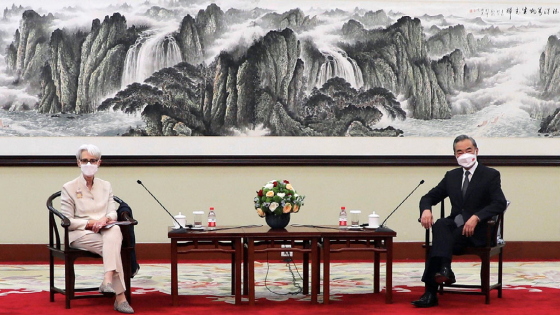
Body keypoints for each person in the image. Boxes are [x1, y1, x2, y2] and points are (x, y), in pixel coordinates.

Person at [412, 135, 507, 308]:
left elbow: (499, 203)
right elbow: (428, 197)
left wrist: (477, 217)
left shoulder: (490, 175)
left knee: (439, 241)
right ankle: (445, 270)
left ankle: (430, 292)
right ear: (455, 156)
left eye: (468, 150)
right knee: (441, 224)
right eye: (459, 152)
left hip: (479, 231)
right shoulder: (452, 176)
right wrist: (426, 209)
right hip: (455, 229)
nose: (464, 155)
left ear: (477, 151)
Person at [60, 144, 134, 314]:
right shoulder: (68, 187)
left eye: (93, 161)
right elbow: (67, 221)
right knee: (113, 249)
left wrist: (106, 219)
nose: (89, 164)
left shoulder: (106, 185)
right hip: (80, 234)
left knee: (114, 230)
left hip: (105, 230)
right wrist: (90, 223)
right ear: (78, 163)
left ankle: (107, 281)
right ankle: (120, 298)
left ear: (99, 163)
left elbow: (112, 211)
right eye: (85, 160)